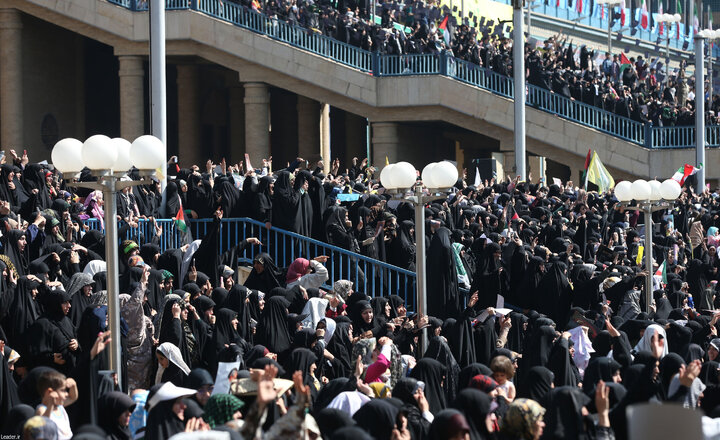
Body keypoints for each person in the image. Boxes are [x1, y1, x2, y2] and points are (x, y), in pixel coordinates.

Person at [35, 369, 78, 440]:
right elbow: (44, 423)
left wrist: (74, 385)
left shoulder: (59, 406)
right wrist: (50, 405)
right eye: (63, 390)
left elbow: (73, 397)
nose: (67, 394)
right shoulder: (42, 409)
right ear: (49, 392)